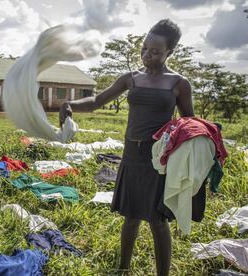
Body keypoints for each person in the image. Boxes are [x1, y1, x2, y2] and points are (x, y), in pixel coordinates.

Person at [59, 19, 194, 276]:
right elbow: (97, 100)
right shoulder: (130, 79)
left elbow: (189, 124)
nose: (146, 55)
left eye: (155, 52)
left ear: (170, 52)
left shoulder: (178, 84)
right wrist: (71, 105)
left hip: (158, 159)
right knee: (131, 217)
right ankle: (123, 270)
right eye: (144, 49)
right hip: (131, 155)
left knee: (157, 220)